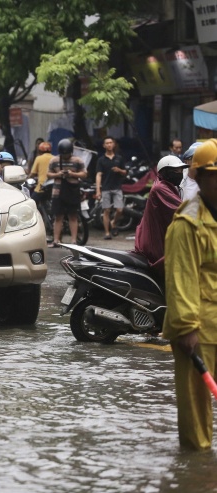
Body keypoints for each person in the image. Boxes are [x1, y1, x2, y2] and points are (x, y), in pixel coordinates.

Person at [163, 138, 217, 451]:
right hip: (197, 330)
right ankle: (196, 470)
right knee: (196, 410)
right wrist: (185, 327)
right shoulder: (188, 223)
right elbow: (181, 275)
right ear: (202, 177)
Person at [132, 155, 187, 277]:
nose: (180, 174)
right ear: (165, 172)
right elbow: (183, 211)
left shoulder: (168, 186)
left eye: (181, 170)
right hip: (154, 243)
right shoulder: (160, 188)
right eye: (176, 171)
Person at [47, 138, 87, 247]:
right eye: (63, 154)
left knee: (73, 216)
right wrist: (57, 174)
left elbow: (84, 174)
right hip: (58, 191)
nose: (65, 156)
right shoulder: (54, 161)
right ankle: (56, 240)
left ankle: (73, 241)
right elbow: (48, 174)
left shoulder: (78, 161)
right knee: (58, 216)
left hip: (72, 191)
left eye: (67, 154)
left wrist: (72, 174)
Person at [95, 136, 127, 240]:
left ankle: (113, 222)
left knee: (120, 209)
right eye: (107, 143)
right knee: (106, 210)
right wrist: (98, 190)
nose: (109, 144)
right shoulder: (101, 160)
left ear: (113, 144)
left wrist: (119, 170)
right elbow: (98, 175)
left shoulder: (119, 158)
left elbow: (125, 172)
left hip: (117, 187)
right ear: (104, 145)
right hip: (106, 187)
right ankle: (107, 233)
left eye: (110, 142)